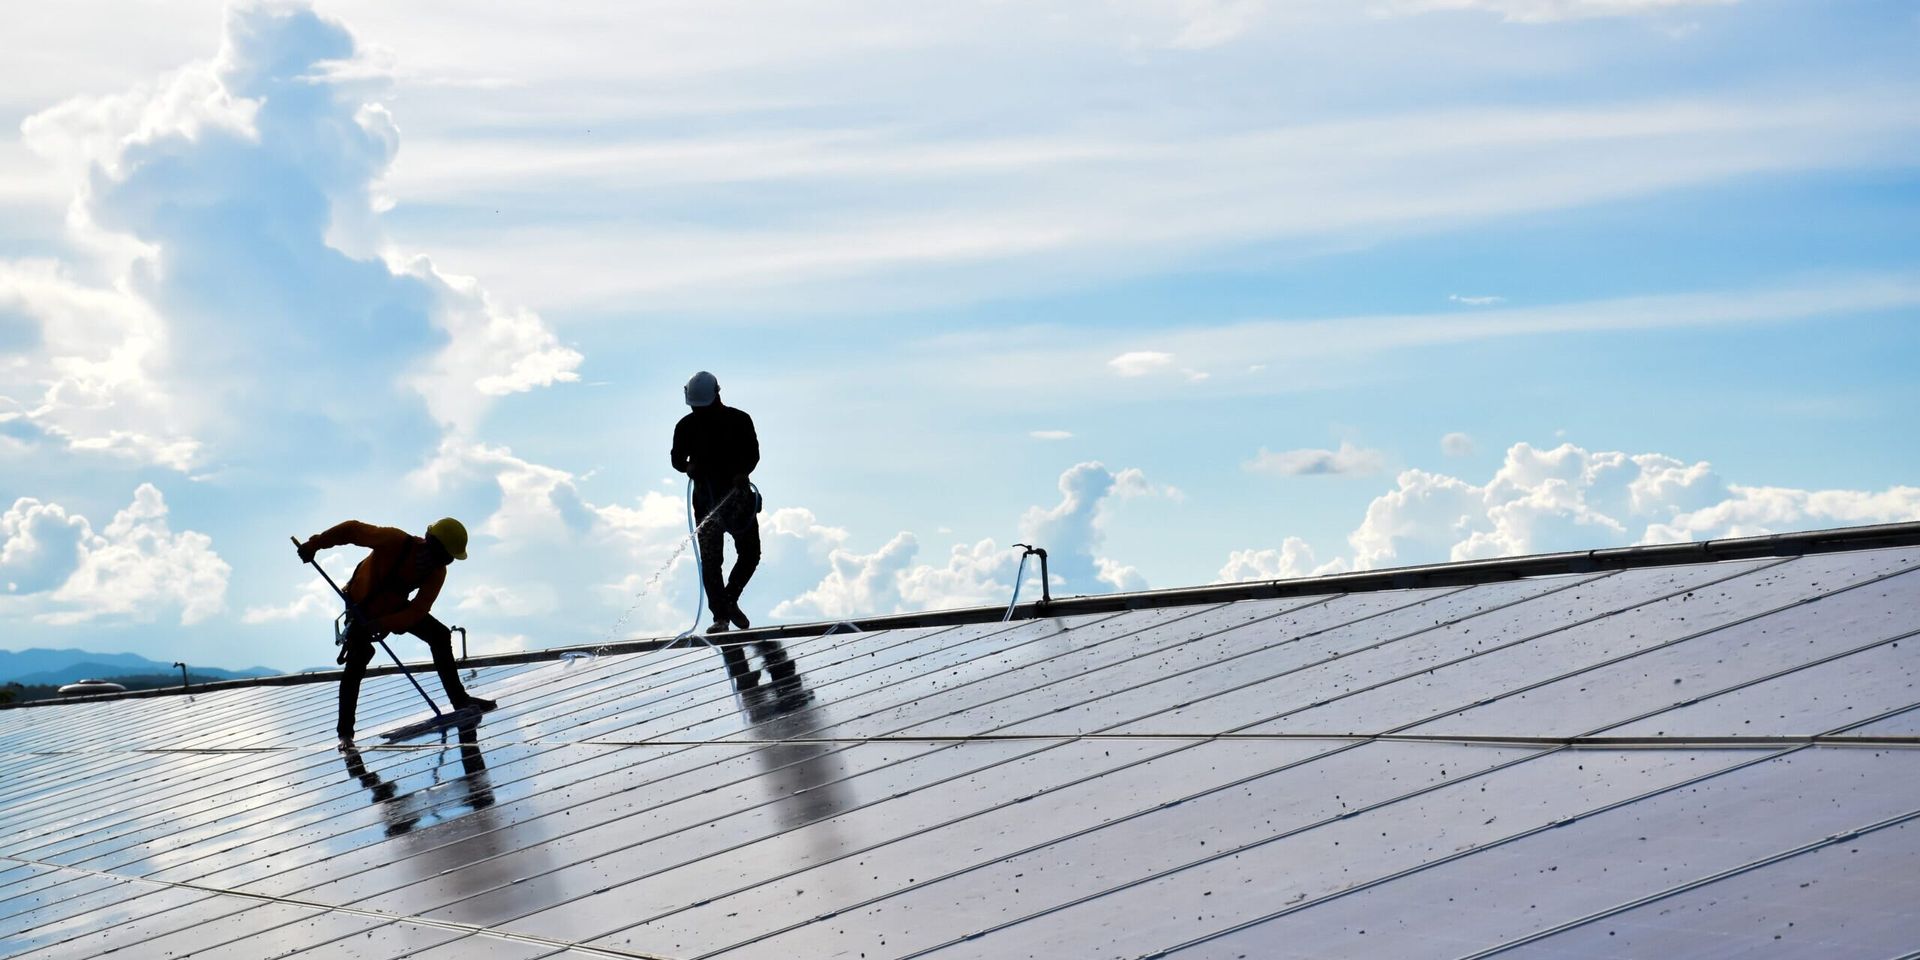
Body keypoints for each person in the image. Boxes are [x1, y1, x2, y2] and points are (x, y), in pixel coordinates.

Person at [296, 517, 494, 741]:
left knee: (439, 635)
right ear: (429, 542)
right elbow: (351, 530)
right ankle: (345, 734)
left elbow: (417, 611)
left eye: (446, 560)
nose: (439, 562)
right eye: (440, 555)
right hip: (359, 607)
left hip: (391, 609)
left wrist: (384, 624)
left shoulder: (436, 573)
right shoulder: (394, 540)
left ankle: (460, 700)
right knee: (359, 656)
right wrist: (315, 544)